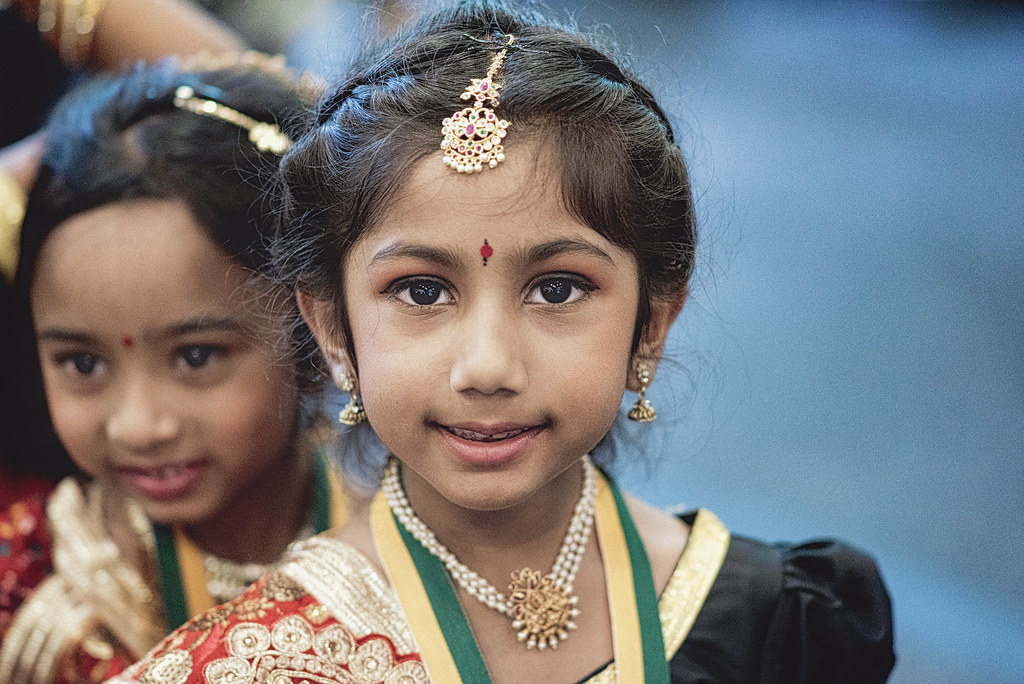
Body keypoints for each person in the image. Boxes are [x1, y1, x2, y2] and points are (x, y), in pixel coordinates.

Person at [110, 2, 896, 682]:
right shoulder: (252, 663)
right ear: (333, 331)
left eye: (557, 288)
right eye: (421, 291)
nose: (487, 365)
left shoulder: (777, 620)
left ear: (651, 322)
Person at [1, 55, 350, 683]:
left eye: (196, 356)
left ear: (315, 332)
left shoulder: (420, 529)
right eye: (81, 363)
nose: (139, 426)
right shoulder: (30, 580)